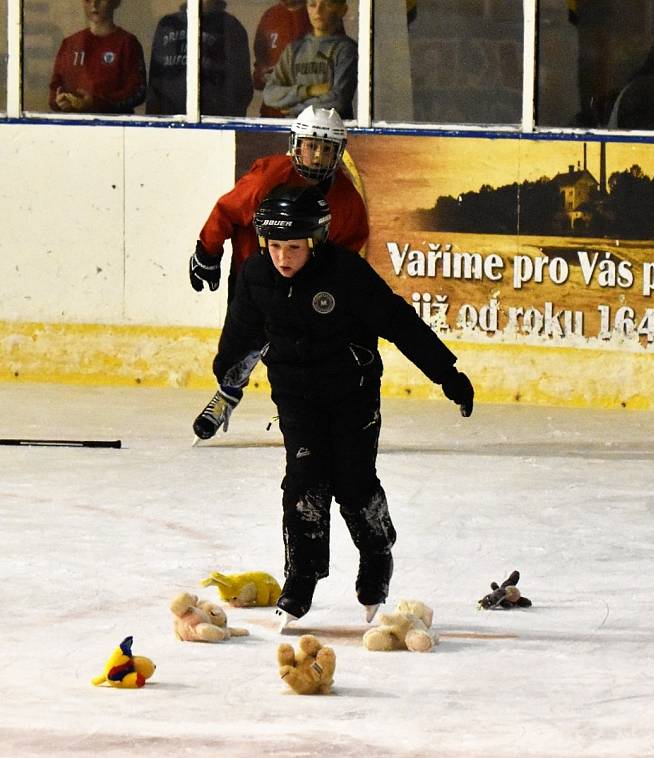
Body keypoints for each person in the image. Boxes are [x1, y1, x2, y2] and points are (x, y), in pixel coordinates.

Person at [209, 184, 474, 628]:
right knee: (303, 484)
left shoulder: (346, 275)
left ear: (315, 241)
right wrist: (227, 374)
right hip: (296, 399)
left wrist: (447, 374)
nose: (282, 257)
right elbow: (240, 332)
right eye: (274, 246)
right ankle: (302, 577)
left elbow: (400, 324)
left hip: (352, 396)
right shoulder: (257, 276)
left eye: (293, 247)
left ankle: (376, 556)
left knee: (353, 483)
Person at [190, 105, 368, 440]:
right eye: (310, 146)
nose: (316, 156)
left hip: (303, 290)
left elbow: (347, 256)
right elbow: (227, 211)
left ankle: (303, 414)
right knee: (237, 350)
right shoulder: (268, 177)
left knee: (296, 356)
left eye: (325, 148)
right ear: (296, 144)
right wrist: (207, 252)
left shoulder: (348, 204)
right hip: (252, 280)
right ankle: (228, 392)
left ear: (338, 153)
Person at [146, 0, 252, 117]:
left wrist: (228, 125)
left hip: (212, 121)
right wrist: (152, 121)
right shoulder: (168, 24)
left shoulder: (230, 27)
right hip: (169, 120)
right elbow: (155, 81)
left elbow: (240, 86)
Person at [262, 0, 357, 119]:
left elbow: (338, 100)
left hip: (332, 130)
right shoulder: (293, 50)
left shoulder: (345, 50)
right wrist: (309, 90)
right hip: (296, 130)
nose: (318, 11)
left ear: (342, 10)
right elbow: (269, 94)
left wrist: (294, 108)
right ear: (307, 9)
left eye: (327, 4)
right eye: (312, 5)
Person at [49, 0, 146, 114]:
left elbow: (137, 92)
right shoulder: (70, 44)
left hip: (114, 127)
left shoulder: (127, 43)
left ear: (116, 2)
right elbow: (54, 90)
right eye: (88, 0)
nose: (94, 4)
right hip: (74, 127)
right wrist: (60, 102)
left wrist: (97, 102)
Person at [252, 0, 312, 117]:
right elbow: (260, 63)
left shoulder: (318, 15)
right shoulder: (270, 15)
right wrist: (263, 75)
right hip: (273, 112)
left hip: (309, 114)